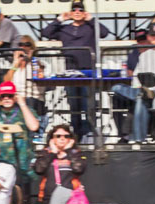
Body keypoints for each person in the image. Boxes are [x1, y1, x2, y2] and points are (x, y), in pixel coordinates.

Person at [42, 1, 110, 141]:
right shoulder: (64, 29)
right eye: (74, 10)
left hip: (88, 72)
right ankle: (77, 135)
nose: (77, 12)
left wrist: (91, 19)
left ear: (84, 12)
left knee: (89, 105)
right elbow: (46, 33)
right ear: (71, 12)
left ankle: (90, 134)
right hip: (71, 72)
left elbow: (104, 33)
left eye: (80, 10)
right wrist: (60, 19)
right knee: (74, 106)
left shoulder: (90, 28)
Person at [111, 22, 155, 143]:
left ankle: (138, 139)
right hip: (143, 90)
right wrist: (140, 87)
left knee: (141, 98)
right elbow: (136, 77)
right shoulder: (144, 55)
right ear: (149, 37)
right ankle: (125, 134)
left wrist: (153, 86)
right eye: (153, 35)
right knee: (116, 89)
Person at [0, 81, 40, 188]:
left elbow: (34, 126)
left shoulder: (24, 110)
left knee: (21, 194)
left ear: (15, 97)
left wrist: (23, 104)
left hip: (21, 164)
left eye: (10, 96)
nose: (6, 98)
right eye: (3, 96)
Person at [33, 124, 87, 204]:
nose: (62, 139)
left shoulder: (75, 153)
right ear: (52, 139)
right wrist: (53, 152)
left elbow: (79, 169)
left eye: (66, 136)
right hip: (48, 200)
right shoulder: (46, 153)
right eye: (58, 136)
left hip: (70, 199)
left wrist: (69, 151)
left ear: (70, 139)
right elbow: (39, 169)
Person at [3, 35, 47, 126]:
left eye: (27, 44)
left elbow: (40, 76)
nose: (23, 47)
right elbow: (6, 82)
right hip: (16, 98)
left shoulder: (38, 63)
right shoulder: (15, 66)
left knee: (28, 101)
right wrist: (15, 64)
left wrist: (31, 60)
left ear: (32, 48)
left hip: (33, 98)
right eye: (20, 44)